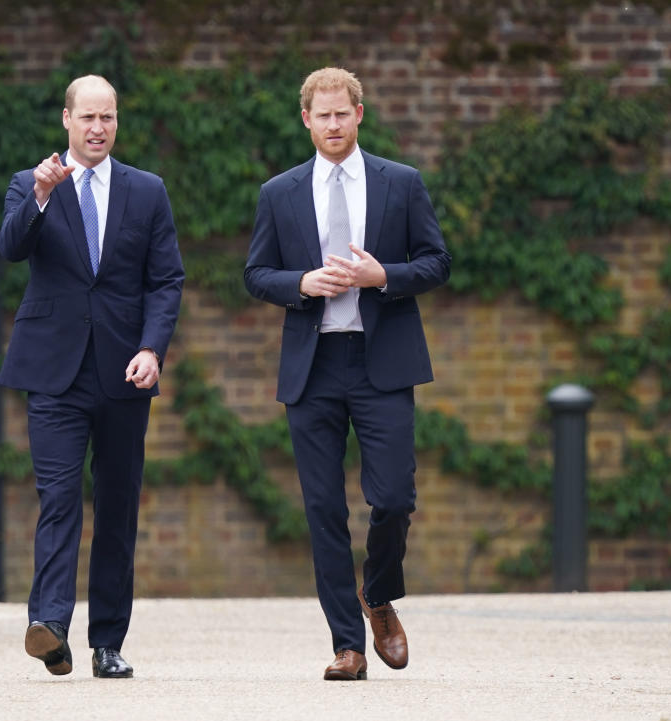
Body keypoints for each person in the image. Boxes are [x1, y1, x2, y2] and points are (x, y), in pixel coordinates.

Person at [244, 67, 450, 680]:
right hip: (313, 366)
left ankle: (379, 594)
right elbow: (256, 274)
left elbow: (437, 262)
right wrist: (301, 283)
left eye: (343, 113)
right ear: (305, 119)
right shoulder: (278, 193)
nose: (333, 125)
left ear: (360, 114)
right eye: (321, 115)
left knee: (392, 498)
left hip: (382, 361)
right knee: (323, 509)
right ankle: (347, 645)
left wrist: (381, 275)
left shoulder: (401, 183)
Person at [0, 75, 184, 679]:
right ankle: (50, 627)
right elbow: (11, 247)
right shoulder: (32, 184)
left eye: (108, 117)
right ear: (66, 120)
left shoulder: (147, 191)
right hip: (54, 372)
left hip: (125, 373)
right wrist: (42, 198)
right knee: (58, 499)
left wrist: (153, 347)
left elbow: (165, 280)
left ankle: (108, 642)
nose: (98, 128)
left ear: (116, 121)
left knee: (118, 506)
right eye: (87, 118)